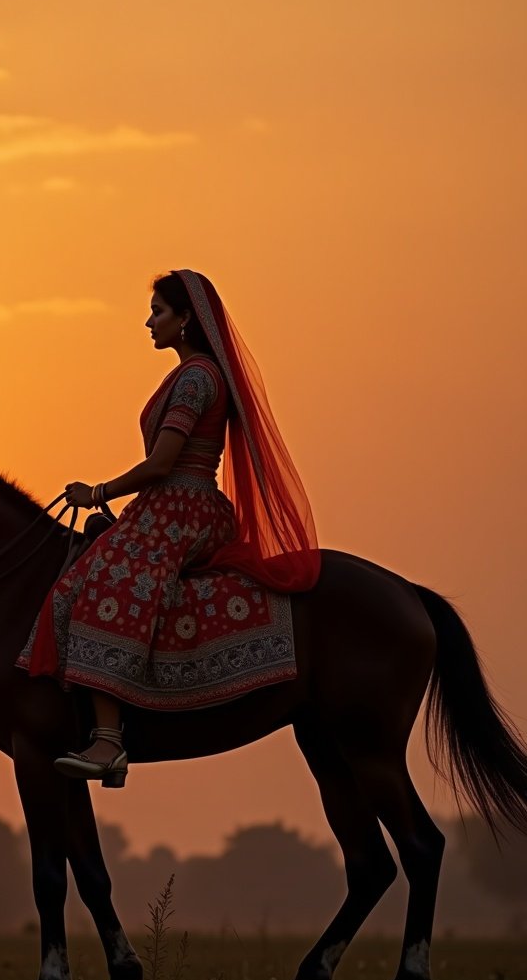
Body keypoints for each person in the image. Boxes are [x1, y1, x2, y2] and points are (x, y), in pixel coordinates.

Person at [16, 270, 320, 787]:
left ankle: (109, 741)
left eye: (158, 311)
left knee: (110, 581)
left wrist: (98, 493)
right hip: (167, 505)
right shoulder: (188, 375)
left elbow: (161, 465)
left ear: (185, 321)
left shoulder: (198, 377)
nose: (149, 321)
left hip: (184, 506)